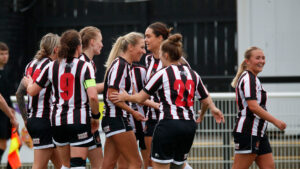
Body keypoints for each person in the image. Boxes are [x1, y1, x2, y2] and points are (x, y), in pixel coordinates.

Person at [110, 33, 225, 169]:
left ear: (165, 55)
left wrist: (126, 97)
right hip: (189, 127)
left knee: (158, 166)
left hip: (168, 125)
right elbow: (206, 101)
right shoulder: (193, 74)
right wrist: (203, 114)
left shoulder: (163, 73)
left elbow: (141, 98)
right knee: (177, 166)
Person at [25, 29, 100, 169]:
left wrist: (29, 82)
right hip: (78, 120)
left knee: (65, 165)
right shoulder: (85, 66)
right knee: (77, 164)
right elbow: (93, 97)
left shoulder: (51, 66)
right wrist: (96, 116)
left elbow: (32, 91)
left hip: (57, 123)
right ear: (79, 47)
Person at [144, 21, 193, 169]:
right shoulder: (148, 59)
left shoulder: (180, 62)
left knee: (175, 164)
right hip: (152, 118)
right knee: (151, 162)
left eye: (148, 36)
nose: (145, 40)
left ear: (160, 38)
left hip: (169, 119)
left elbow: (188, 87)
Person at [230, 46, 286, 169]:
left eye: (263, 58)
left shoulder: (253, 78)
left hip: (259, 132)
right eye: (257, 58)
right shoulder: (248, 78)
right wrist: (275, 121)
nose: (261, 61)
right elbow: (253, 107)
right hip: (248, 131)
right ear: (247, 61)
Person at [101, 32, 149, 169]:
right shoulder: (121, 65)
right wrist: (133, 112)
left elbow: (126, 95)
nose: (144, 51)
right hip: (117, 119)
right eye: (141, 47)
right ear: (130, 47)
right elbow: (112, 95)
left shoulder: (124, 65)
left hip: (113, 119)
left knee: (108, 164)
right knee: (136, 163)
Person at [15, 33, 62, 169]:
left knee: (63, 165)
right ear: (56, 49)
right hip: (45, 120)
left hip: (35, 120)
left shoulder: (31, 64)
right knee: (39, 166)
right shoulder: (52, 66)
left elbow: (19, 93)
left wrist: (25, 119)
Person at [79, 26, 104, 169]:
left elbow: (88, 88)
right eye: (100, 41)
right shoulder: (84, 63)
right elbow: (91, 93)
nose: (102, 44)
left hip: (71, 119)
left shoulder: (86, 62)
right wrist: (110, 85)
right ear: (92, 42)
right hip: (84, 119)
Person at [0, 42, 16, 162]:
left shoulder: (5, 71)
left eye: (6, 53)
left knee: (17, 142)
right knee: (3, 145)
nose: (5, 56)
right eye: (1, 54)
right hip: (2, 114)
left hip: (6, 113)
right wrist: (10, 114)